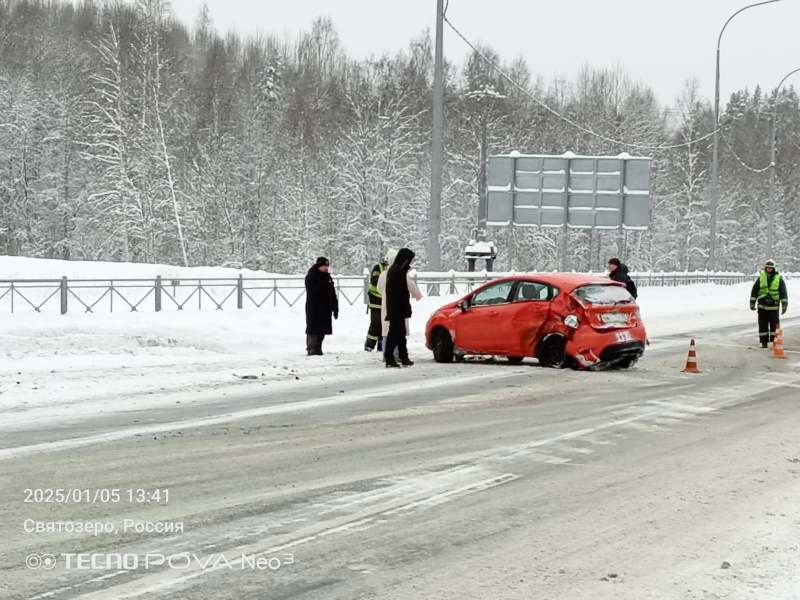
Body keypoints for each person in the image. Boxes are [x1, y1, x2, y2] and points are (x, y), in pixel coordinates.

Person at [382, 248, 422, 368]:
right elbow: (398, 292)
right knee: (395, 334)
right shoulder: (397, 272)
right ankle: (390, 358)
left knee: (400, 334)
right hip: (397, 309)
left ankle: (403, 357)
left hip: (397, 308)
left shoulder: (396, 270)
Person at [750, 259, 788, 348]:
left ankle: (775, 341)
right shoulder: (761, 278)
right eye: (767, 268)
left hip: (773, 307)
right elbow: (755, 291)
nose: (769, 270)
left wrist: (784, 304)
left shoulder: (779, 279)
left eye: (770, 268)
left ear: (773, 269)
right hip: (762, 306)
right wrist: (752, 302)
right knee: (762, 325)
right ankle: (763, 342)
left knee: (774, 325)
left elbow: (783, 292)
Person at [304, 256, 338, 356]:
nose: (326, 268)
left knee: (323, 328)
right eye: (324, 266)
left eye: (327, 266)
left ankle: (318, 346)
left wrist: (335, 308)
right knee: (313, 328)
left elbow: (332, 293)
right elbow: (312, 290)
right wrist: (324, 285)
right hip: (314, 307)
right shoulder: (311, 276)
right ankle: (311, 347)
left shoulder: (328, 277)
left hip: (326, 308)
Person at [365, 255, 389, 352]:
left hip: (385, 300)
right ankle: (369, 344)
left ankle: (380, 345)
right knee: (376, 322)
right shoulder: (378, 268)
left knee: (384, 323)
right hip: (375, 299)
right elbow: (374, 281)